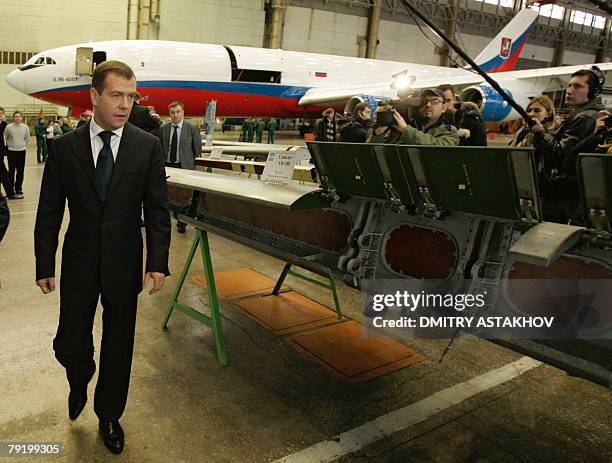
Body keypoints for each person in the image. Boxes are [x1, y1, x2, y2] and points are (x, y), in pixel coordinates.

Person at [34, 60, 171, 455]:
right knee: (69, 341)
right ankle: (79, 375)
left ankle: (109, 414)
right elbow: (48, 213)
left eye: (131, 96)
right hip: (78, 261)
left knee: (119, 344)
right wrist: (45, 264)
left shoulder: (147, 146)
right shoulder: (64, 149)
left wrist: (157, 260)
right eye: (116, 95)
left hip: (125, 261)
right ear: (94, 96)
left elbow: (157, 209)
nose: (125, 104)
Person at [531, 67, 606, 224]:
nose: (569, 90)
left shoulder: (586, 117)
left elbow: (561, 156)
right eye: (570, 85)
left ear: (592, 91)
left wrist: (540, 133)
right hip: (563, 194)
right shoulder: (581, 114)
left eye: (577, 86)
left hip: (565, 198)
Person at [159, 100, 202, 233]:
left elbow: (197, 149)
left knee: (184, 196)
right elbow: (160, 148)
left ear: (183, 112)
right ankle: (166, 218)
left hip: (184, 167)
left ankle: (181, 221)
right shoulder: (163, 129)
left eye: (178, 112)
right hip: (168, 166)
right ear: (169, 114)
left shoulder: (192, 128)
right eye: (172, 113)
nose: (175, 115)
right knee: (168, 195)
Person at [369, 89, 460, 146]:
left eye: (435, 101)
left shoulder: (449, 132)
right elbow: (372, 152)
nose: (428, 105)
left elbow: (437, 148)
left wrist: (406, 130)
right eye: (424, 101)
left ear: (443, 108)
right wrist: (378, 132)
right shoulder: (402, 126)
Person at [4, 111, 30, 198]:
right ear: (13, 118)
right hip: (11, 151)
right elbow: (5, 138)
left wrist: (22, 146)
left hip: (21, 151)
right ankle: (10, 188)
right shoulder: (8, 127)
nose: (17, 118)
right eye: (16, 116)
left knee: (20, 171)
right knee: (11, 171)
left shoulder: (25, 127)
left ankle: (18, 188)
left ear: (22, 118)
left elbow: (27, 138)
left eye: (19, 116)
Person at [0, 107, 17, 199]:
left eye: (2, 113)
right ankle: (10, 193)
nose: (0, 115)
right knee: (4, 174)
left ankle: (10, 193)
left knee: (3, 174)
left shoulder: (4, 125)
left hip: (1, 153)